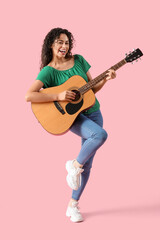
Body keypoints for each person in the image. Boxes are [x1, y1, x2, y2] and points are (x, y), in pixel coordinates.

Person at [25, 28, 116, 223]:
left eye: (66, 43)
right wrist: (58, 95)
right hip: (72, 117)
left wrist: (106, 79)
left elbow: (92, 88)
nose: (64, 46)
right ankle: (73, 165)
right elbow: (29, 95)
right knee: (99, 136)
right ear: (51, 44)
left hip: (93, 111)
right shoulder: (48, 71)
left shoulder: (79, 60)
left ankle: (73, 205)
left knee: (88, 164)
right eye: (59, 42)